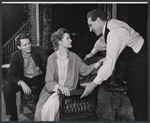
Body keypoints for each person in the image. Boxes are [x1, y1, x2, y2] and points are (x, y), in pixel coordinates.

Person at [81, 9, 148, 121]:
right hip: (132, 60)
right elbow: (101, 42)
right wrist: (91, 54)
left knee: (138, 97)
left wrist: (93, 85)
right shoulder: (109, 25)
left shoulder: (114, 33)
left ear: (98, 20)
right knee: (133, 93)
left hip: (141, 59)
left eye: (90, 25)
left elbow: (109, 64)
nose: (90, 29)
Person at [34, 28, 102, 121]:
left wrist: (98, 63)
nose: (71, 40)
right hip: (52, 90)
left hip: (68, 91)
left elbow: (85, 70)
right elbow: (49, 80)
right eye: (67, 38)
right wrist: (60, 87)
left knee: (52, 104)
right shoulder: (51, 58)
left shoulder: (74, 56)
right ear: (59, 41)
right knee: (44, 108)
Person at [2, 33, 48, 121]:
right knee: (6, 87)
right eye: (25, 45)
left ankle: (44, 114)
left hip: (39, 78)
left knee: (48, 87)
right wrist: (21, 83)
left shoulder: (37, 50)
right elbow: (10, 75)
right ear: (19, 47)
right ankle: (14, 116)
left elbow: (48, 60)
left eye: (29, 43)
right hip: (25, 79)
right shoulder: (15, 56)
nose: (28, 46)